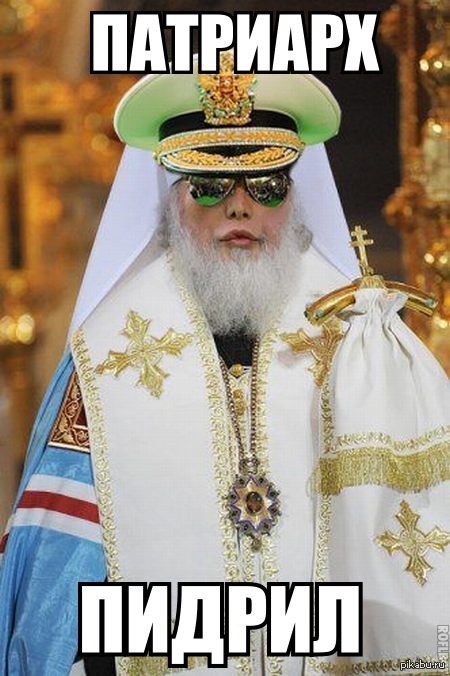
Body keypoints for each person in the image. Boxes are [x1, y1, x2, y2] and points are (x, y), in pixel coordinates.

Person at [0, 52, 449, 676]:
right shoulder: (102, 363)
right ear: (171, 201)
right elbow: (58, 591)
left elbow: (420, 556)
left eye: (266, 186)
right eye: (209, 186)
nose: (240, 208)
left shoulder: (363, 341)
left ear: (294, 199)